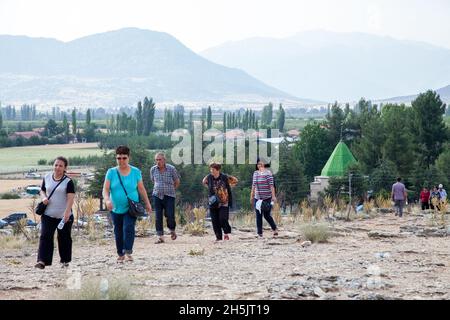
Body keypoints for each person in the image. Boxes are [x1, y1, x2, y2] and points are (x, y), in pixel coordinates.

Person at [102, 146, 152, 263]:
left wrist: (147, 203)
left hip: (131, 208)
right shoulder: (111, 172)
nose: (121, 161)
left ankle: (128, 250)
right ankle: (120, 253)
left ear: (128, 158)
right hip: (115, 208)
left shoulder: (135, 172)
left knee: (128, 227)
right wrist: (107, 200)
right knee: (118, 230)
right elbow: (105, 189)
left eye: (124, 158)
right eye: (119, 158)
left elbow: (141, 188)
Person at [35, 157, 75, 269]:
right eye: (56, 165)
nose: (57, 167)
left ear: (65, 168)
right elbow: (42, 190)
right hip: (48, 214)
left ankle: (65, 261)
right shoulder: (47, 177)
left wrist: (67, 213)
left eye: (60, 166)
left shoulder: (68, 181)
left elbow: (71, 198)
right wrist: (43, 198)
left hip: (63, 216)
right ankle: (42, 261)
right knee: (45, 236)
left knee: (64, 238)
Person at [202, 163, 238, 242]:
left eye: (213, 169)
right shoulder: (209, 177)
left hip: (224, 201)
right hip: (213, 202)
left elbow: (235, 181)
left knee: (222, 219)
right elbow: (204, 182)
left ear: (218, 170)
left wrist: (227, 188)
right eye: (210, 169)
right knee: (215, 220)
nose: (211, 171)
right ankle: (218, 237)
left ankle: (226, 232)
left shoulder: (224, 177)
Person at [150, 152, 181, 244]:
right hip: (157, 195)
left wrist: (171, 189)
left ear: (164, 160)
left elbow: (177, 181)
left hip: (169, 195)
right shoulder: (153, 169)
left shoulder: (171, 169)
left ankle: (172, 230)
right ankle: (160, 236)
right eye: (156, 160)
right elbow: (153, 180)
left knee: (170, 215)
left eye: (160, 159)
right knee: (158, 216)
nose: (158, 162)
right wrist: (159, 188)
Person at [250, 158, 278, 237]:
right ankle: (259, 233)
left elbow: (271, 186)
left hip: (267, 198)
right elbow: (253, 185)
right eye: (258, 164)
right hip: (257, 198)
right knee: (258, 215)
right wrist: (251, 196)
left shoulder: (268, 173)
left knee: (266, 215)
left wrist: (273, 196)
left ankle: (274, 228)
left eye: (261, 164)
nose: (259, 165)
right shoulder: (255, 173)